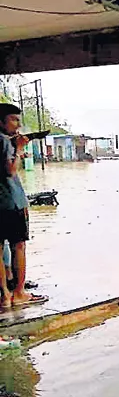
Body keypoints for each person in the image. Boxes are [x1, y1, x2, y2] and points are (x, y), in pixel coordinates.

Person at [0, 103, 46, 308]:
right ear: (1, 122)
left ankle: (5, 296)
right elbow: (10, 171)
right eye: (14, 119)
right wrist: (19, 149)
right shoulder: (6, 141)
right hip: (12, 201)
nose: (18, 125)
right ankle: (19, 292)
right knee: (18, 245)